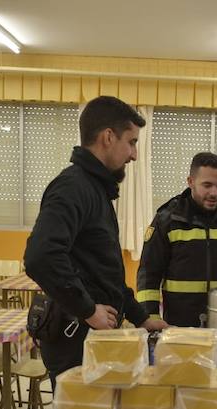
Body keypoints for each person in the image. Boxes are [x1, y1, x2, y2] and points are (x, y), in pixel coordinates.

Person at [24, 96, 167, 386]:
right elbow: (40, 257)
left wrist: (141, 317)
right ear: (108, 137)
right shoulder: (73, 187)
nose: (134, 155)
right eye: (132, 142)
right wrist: (88, 310)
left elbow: (103, 273)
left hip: (90, 337)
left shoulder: (95, 190)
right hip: (75, 339)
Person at [136, 152, 217, 327]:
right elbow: (149, 275)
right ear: (190, 182)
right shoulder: (167, 221)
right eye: (207, 185)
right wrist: (151, 318)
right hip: (179, 325)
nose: (214, 193)